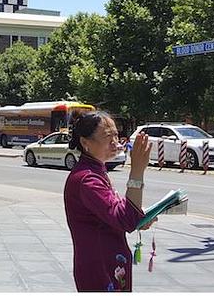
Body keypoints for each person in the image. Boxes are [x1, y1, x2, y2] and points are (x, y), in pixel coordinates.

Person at [64, 112, 154, 292]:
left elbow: (117, 212)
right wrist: (137, 171)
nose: (115, 142)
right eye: (107, 136)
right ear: (85, 142)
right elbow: (125, 219)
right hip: (100, 268)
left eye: (115, 135)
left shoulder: (95, 171)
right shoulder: (87, 179)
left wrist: (140, 216)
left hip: (108, 263)